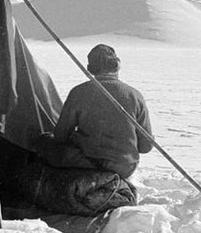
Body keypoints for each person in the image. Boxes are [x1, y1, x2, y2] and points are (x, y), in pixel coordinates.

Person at [35, 44, 152, 179]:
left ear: (91, 68)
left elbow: (60, 136)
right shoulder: (135, 95)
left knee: (45, 143)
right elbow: (146, 146)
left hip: (88, 163)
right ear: (116, 66)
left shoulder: (79, 92)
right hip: (124, 167)